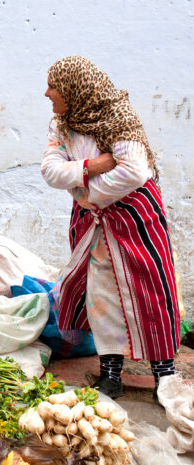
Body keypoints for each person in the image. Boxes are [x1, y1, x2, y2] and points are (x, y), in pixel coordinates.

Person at [41, 56, 180, 399]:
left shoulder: (119, 118)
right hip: (94, 222)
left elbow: (134, 172)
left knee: (151, 291)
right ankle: (111, 374)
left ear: (74, 88)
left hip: (136, 219)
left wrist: (86, 190)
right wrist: (93, 165)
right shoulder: (61, 125)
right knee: (101, 297)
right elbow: (50, 170)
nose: (47, 93)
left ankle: (164, 374)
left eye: (52, 86)